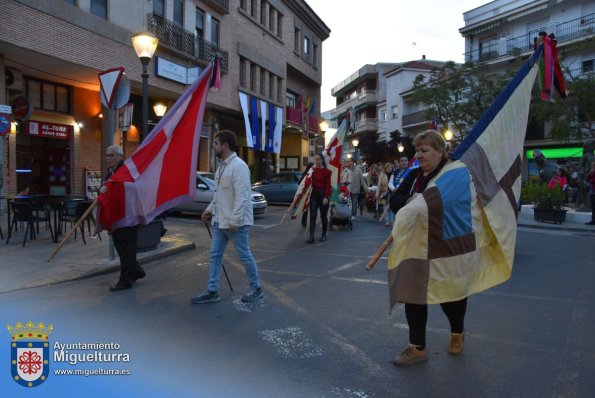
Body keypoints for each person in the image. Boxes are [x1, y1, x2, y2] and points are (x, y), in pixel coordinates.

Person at [389, 130, 467, 366]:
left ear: (440, 152)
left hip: (445, 243)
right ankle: (417, 347)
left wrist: (426, 204)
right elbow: (394, 201)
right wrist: (409, 200)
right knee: (413, 295)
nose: (419, 155)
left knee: (450, 295)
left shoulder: (452, 174)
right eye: (417, 150)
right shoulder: (414, 175)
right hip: (415, 245)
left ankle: (457, 333)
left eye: (424, 151)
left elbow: (458, 204)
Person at [191, 130, 264, 304]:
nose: (213, 146)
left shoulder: (239, 166)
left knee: (245, 256)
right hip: (219, 220)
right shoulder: (222, 166)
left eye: (215, 143)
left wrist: (235, 220)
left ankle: (256, 289)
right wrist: (209, 209)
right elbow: (219, 194)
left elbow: (242, 196)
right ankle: (212, 290)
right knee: (215, 255)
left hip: (234, 223)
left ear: (225, 146)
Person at [101, 145, 146, 292]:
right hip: (116, 216)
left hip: (128, 216)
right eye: (107, 155)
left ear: (120, 156)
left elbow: (132, 188)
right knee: (121, 248)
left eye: (112, 155)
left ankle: (126, 280)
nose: (108, 158)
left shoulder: (126, 171)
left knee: (127, 248)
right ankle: (136, 270)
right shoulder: (110, 172)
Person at [307, 153, 332, 243]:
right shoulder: (312, 170)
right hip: (314, 194)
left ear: (322, 160)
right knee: (313, 215)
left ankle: (324, 235)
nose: (316, 161)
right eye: (315, 160)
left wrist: (326, 196)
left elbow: (328, 185)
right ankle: (311, 236)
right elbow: (306, 180)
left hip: (323, 194)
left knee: (323, 216)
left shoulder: (327, 172)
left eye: (318, 159)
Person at [300, 162, 314, 229]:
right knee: (311, 209)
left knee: (305, 210)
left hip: (306, 194)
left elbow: (299, 183)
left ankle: (304, 223)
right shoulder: (309, 174)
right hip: (310, 194)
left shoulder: (305, 174)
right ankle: (308, 223)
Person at [586, 161, 595, 225]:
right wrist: (590, 174)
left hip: (593, 191)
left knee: (593, 206)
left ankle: (593, 220)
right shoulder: (592, 172)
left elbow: (592, 180)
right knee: (592, 206)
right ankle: (593, 219)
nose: (592, 167)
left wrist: (591, 179)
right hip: (592, 191)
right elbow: (587, 179)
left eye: (593, 165)